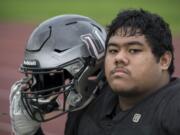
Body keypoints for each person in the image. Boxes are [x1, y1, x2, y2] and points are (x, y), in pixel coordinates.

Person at [65, 9, 180, 135]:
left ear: (164, 60)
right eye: (113, 50)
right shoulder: (89, 100)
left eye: (133, 50)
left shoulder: (174, 106)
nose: (119, 58)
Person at [9, 14, 107, 135]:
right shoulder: (83, 107)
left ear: (87, 69)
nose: (35, 87)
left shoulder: (116, 116)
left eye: (51, 74)